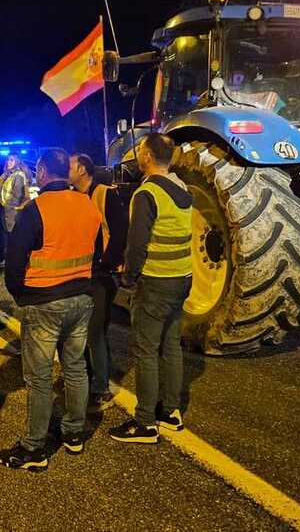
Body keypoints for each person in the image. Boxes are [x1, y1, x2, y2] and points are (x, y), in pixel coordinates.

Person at [0, 148, 101, 471]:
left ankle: (34, 447)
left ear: (42, 172)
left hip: (43, 302)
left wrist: (21, 295)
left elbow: (14, 263)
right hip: (82, 298)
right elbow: (96, 251)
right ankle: (73, 433)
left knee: (39, 377)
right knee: (75, 368)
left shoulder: (35, 210)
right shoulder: (88, 204)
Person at [109, 133, 193, 445]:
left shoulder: (147, 194)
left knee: (145, 350)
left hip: (156, 281)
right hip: (182, 278)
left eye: (141, 150)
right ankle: (171, 412)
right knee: (171, 346)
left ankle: (145, 422)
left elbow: (137, 243)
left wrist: (129, 278)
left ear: (147, 156)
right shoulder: (182, 187)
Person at [70, 152, 129, 412]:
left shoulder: (105, 194)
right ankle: (84, 378)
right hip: (78, 274)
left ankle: (100, 387)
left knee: (95, 333)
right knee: (77, 332)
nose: (66, 169)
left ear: (82, 169)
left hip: (99, 276)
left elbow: (119, 234)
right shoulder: (73, 197)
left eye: (70, 165)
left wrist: (106, 264)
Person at [0, 154, 28, 265]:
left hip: (12, 210)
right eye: (8, 160)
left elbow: (17, 196)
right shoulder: (9, 175)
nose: (9, 162)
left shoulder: (18, 176)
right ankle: (3, 257)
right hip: (5, 208)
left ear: (17, 162)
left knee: (10, 237)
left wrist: (8, 207)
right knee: (4, 236)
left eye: (12, 160)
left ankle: (10, 260)